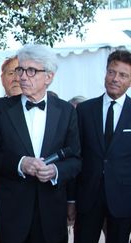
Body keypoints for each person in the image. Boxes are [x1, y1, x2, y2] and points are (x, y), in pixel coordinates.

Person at [0, 44, 81, 243]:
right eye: (20, 69)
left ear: (49, 77)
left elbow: (75, 159)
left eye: (31, 71)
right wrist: (20, 164)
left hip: (51, 213)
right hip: (10, 213)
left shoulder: (66, 111)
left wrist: (55, 171)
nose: (22, 77)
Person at [74, 49, 131, 243]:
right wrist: (71, 199)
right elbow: (76, 155)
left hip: (124, 199)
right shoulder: (84, 110)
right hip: (88, 197)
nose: (115, 78)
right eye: (111, 72)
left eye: (123, 75)